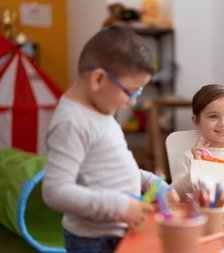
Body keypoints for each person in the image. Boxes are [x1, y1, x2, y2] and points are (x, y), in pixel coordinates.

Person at [42, 26, 179, 253]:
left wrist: (152, 182)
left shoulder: (102, 112)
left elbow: (112, 167)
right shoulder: (71, 122)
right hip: (93, 241)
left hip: (116, 231)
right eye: (131, 92)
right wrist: (120, 206)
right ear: (98, 79)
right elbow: (55, 191)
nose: (132, 102)